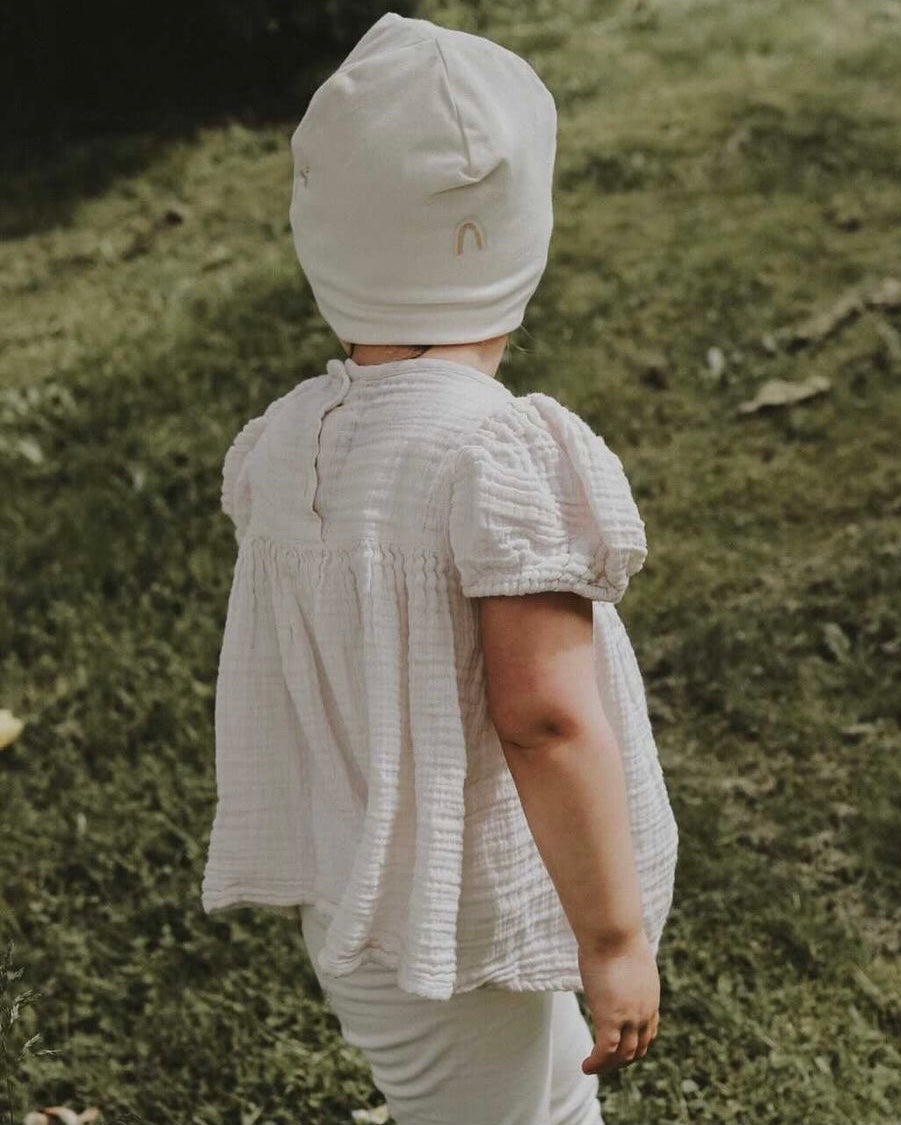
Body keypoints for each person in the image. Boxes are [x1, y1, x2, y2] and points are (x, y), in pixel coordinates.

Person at [199, 12, 679, 1125]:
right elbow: (545, 720)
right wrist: (612, 939)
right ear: (519, 243)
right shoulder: (493, 453)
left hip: (372, 899)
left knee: (542, 1093)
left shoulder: (284, 445)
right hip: (462, 926)